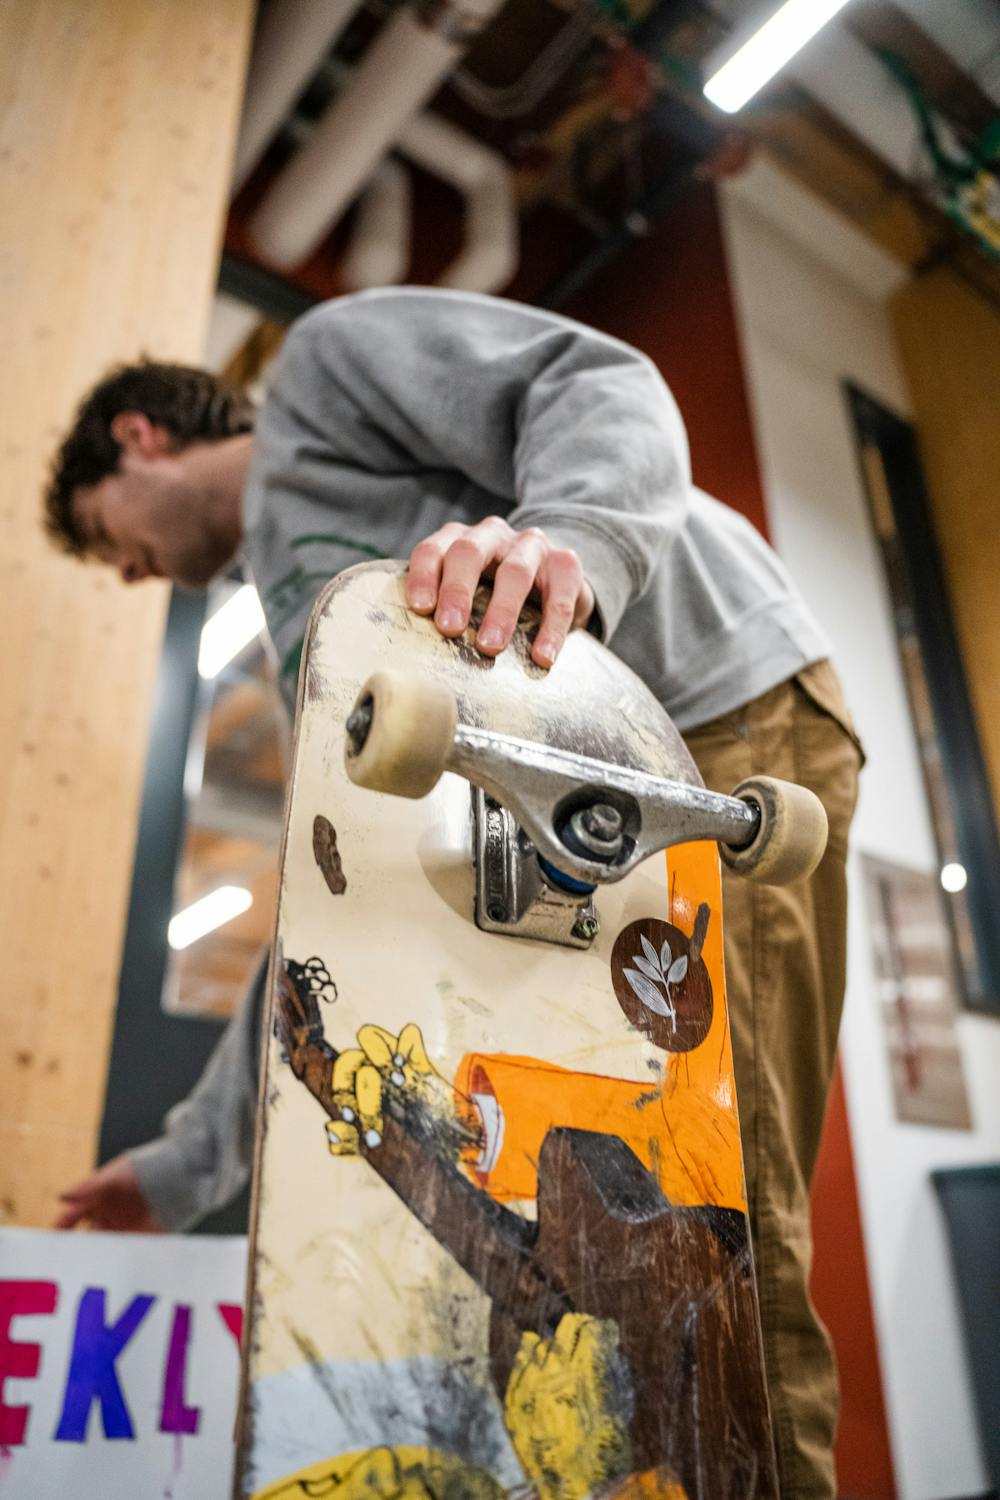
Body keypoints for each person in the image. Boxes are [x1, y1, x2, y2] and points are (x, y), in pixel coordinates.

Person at [46, 287, 862, 1500]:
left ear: (137, 437)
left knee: (720, 1232)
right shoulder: (301, 613)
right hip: (582, 809)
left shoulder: (322, 376)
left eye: (99, 534)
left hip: (716, 736)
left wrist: (566, 545)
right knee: (626, 1273)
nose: (125, 570)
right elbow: (335, 896)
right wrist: (177, 1171)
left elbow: (601, 383)